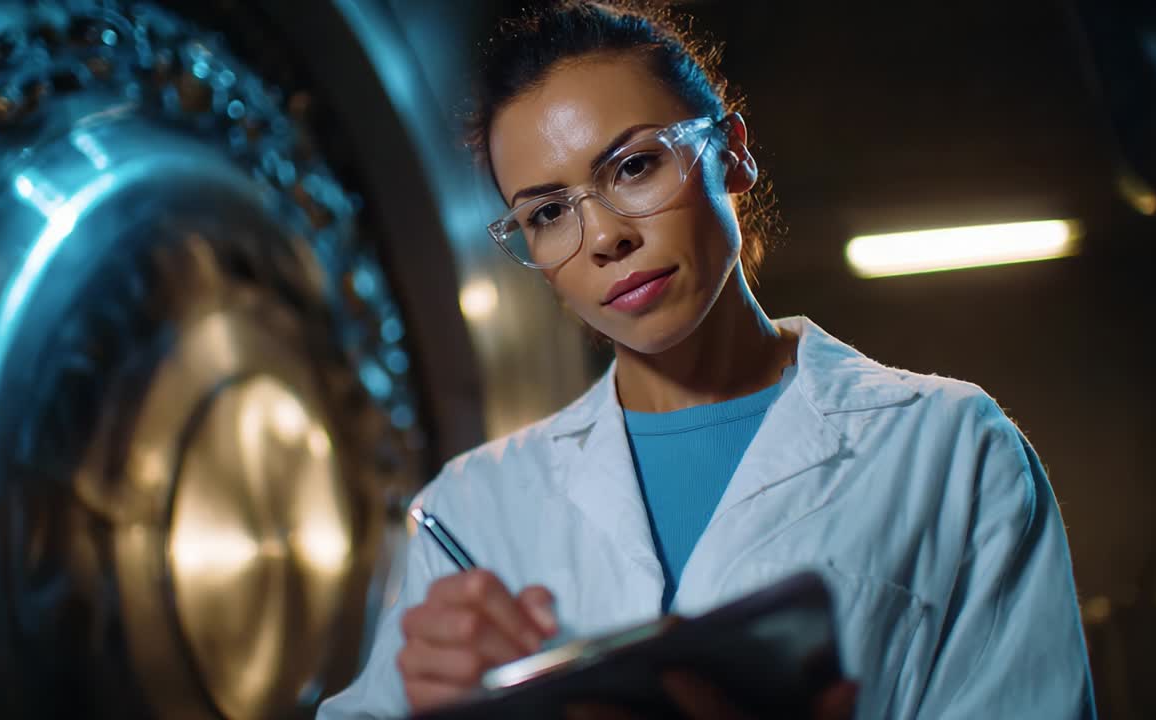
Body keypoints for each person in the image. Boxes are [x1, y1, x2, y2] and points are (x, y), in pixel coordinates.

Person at [318, 1, 1095, 718]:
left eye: (633, 167)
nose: (603, 238)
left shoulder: (949, 447)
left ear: (731, 156)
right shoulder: (472, 512)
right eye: (548, 213)